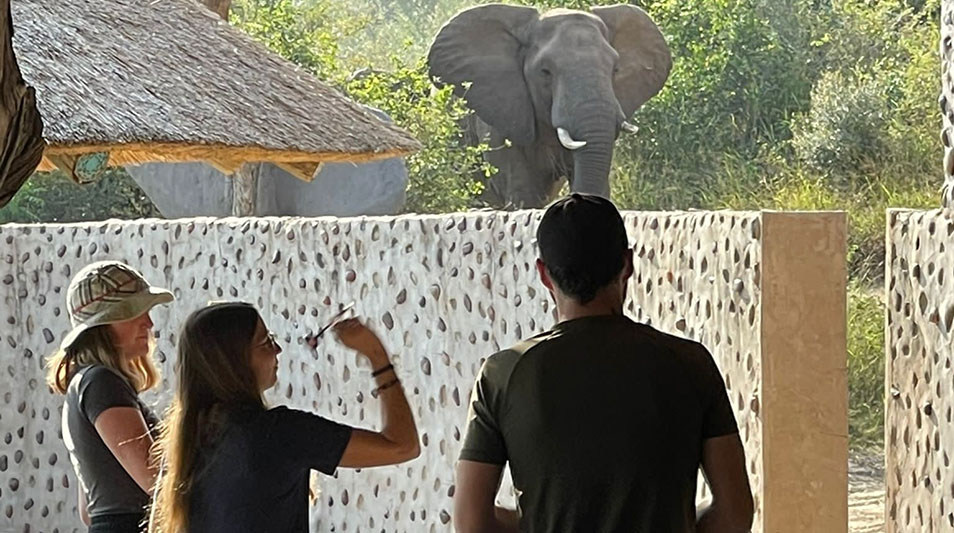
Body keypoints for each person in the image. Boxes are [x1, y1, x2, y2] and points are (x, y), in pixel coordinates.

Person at [454, 193, 754, 533]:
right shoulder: (691, 364)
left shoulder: (503, 374)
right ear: (627, 264)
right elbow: (735, 513)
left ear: (543, 274)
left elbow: (470, 523)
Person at [150, 302, 420, 533]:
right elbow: (402, 446)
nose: (278, 349)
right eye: (265, 342)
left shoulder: (188, 439)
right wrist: (376, 355)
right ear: (236, 361)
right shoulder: (277, 433)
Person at [46, 261, 175, 532]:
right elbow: (156, 481)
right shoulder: (102, 383)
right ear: (102, 325)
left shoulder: (84, 382)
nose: (148, 323)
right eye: (133, 312)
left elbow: (88, 511)